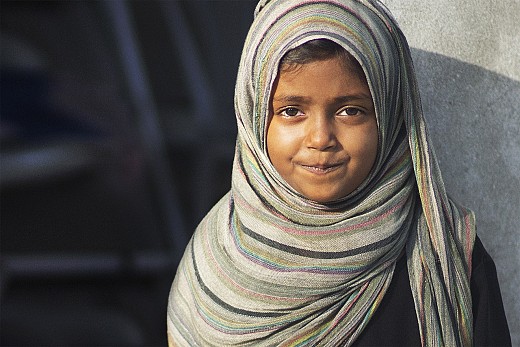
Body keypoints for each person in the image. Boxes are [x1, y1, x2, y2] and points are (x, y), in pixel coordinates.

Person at [167, 0, 511, 346]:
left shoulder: (446, 257)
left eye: (350, 111)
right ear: (254, 115)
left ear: (389, 114)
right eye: (291, 111)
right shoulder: (214, 266)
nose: (320, 138)